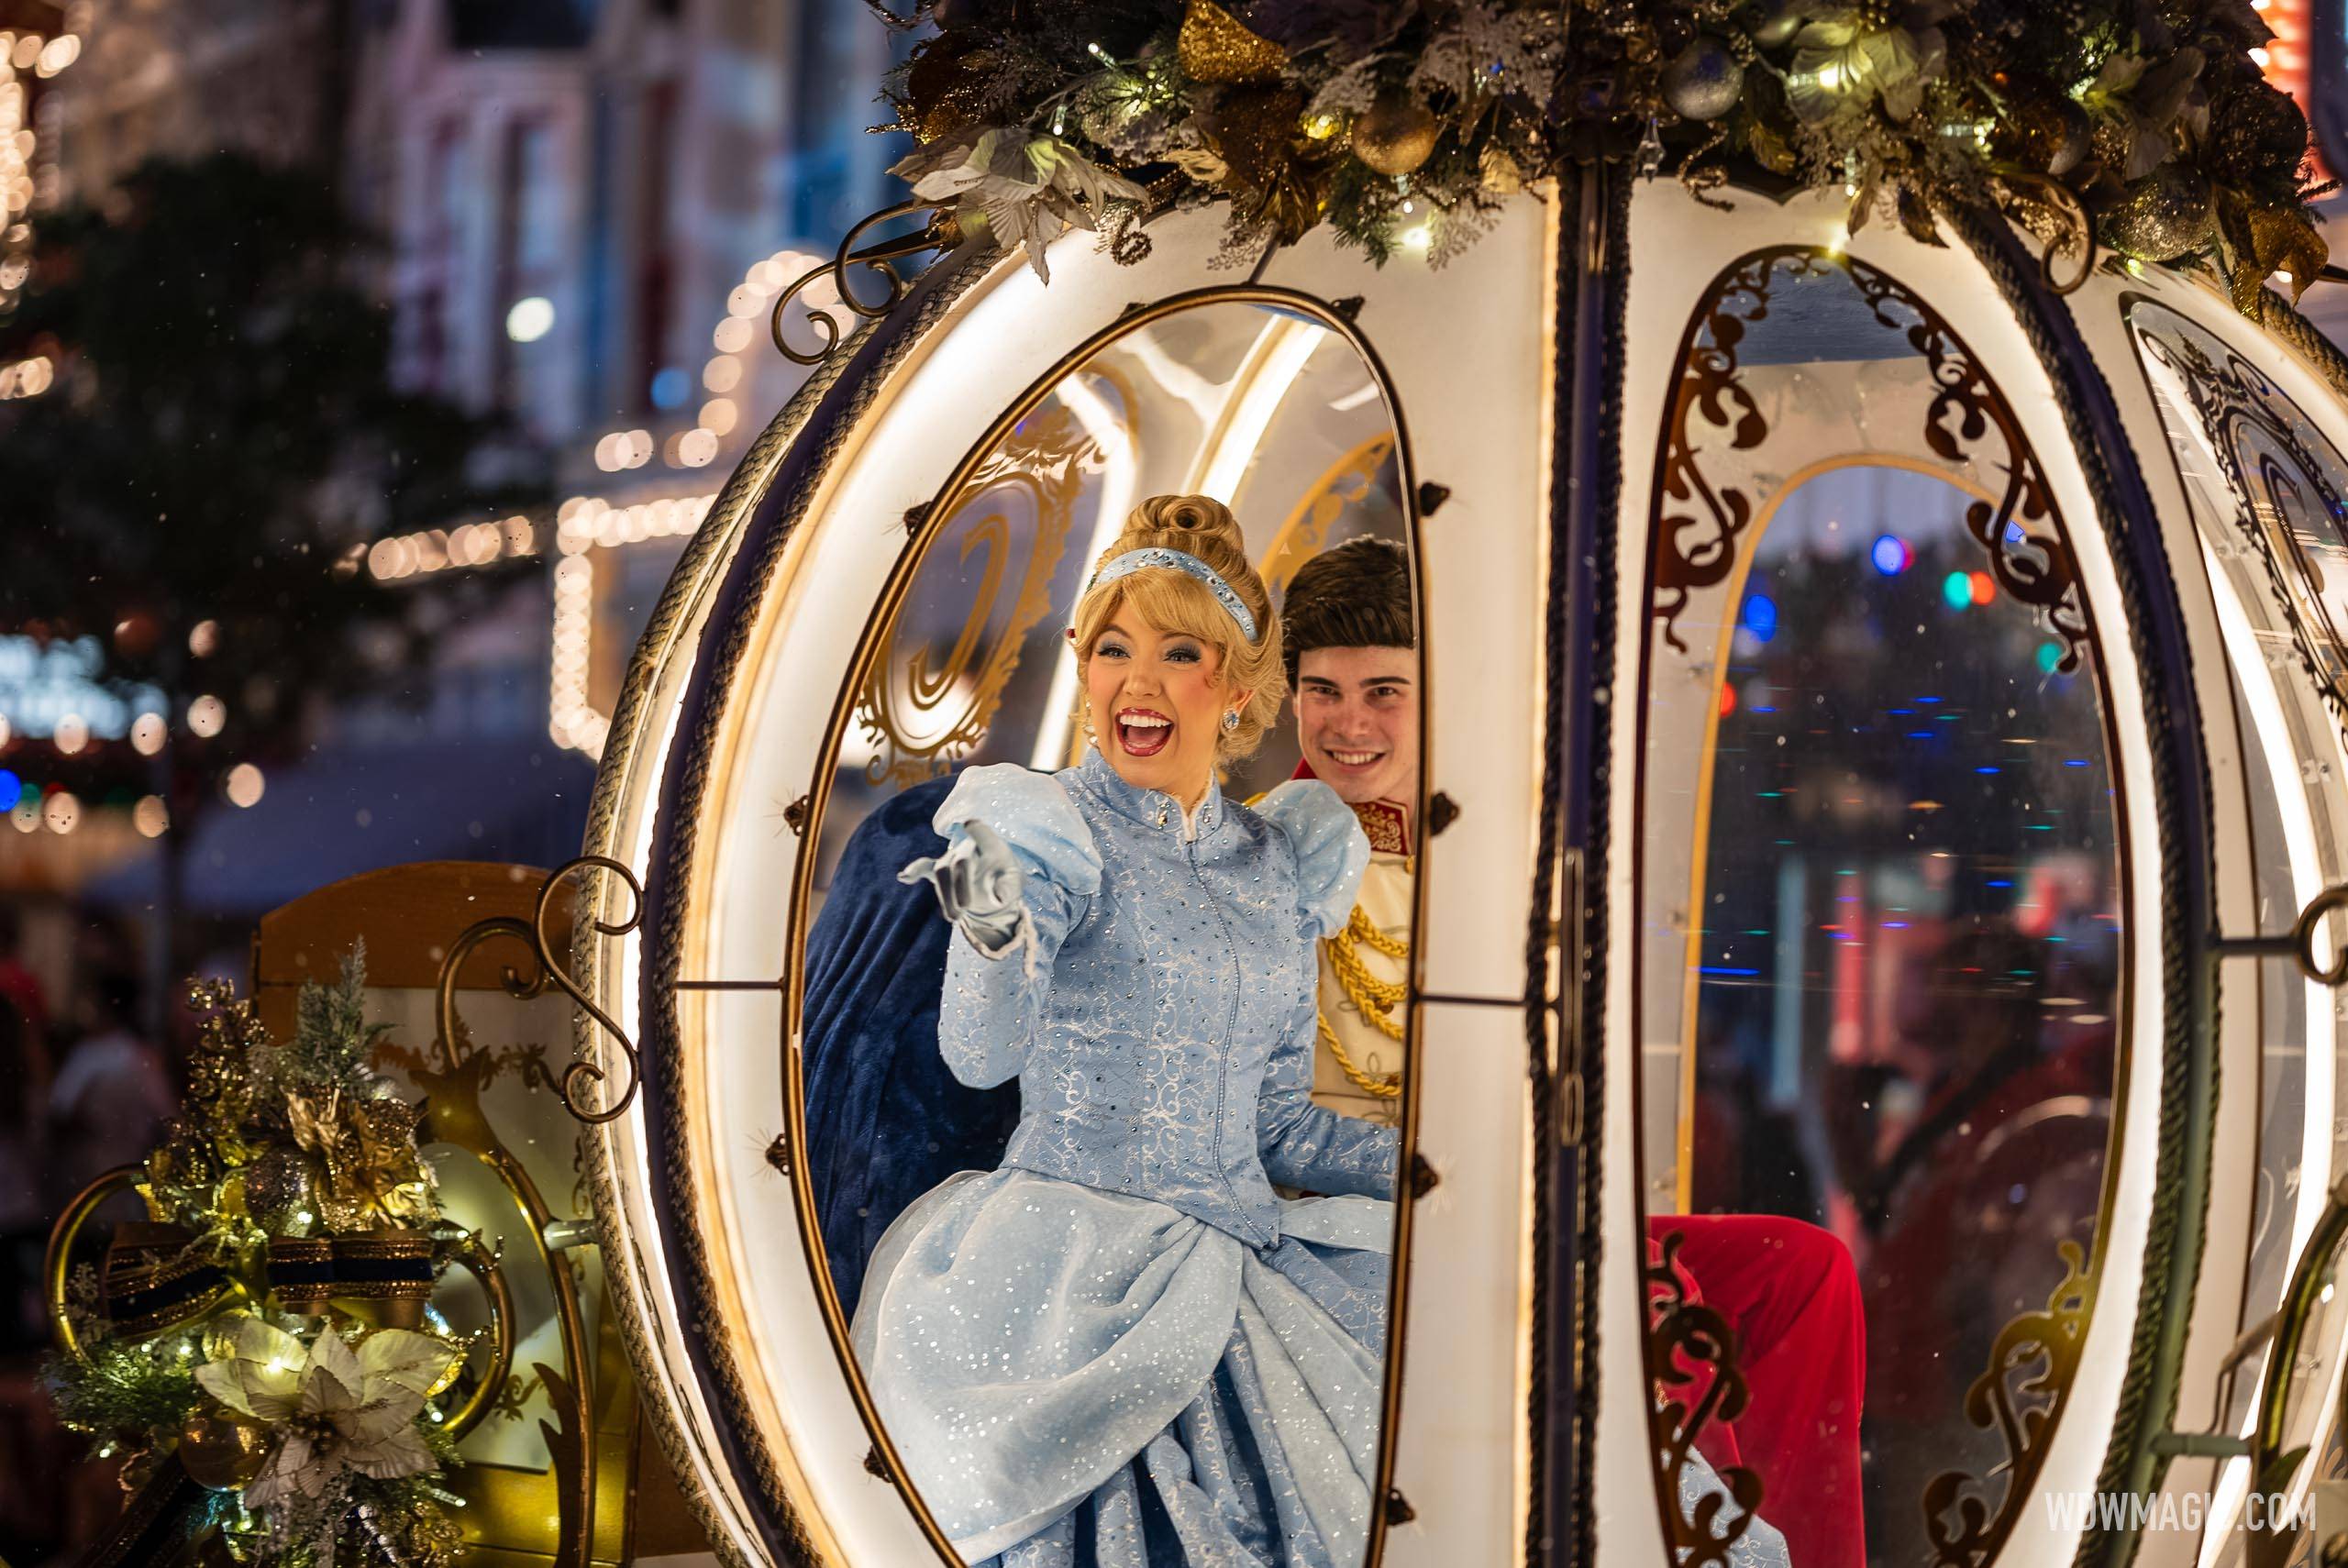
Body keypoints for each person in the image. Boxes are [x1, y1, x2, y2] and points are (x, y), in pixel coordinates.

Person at [853, 495, 1399, 1567]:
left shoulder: (1281, 861)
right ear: (1081, 662)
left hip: (1238, 1262)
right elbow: (981, 1057)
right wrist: (993, 931)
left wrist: (1441, 1173)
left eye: (1176, 651)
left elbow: (1282, 1127)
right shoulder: (1045, 832)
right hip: (1064, 1276)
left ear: (1238, 687)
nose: (1135, 684)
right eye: (1111, 649)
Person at [1276, 537, 1415, 1124]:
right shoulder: (1241, 857)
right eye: (1324, 691)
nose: (1351, 724)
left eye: (1383, 692)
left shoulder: (1514, 867)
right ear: (1293, 700)